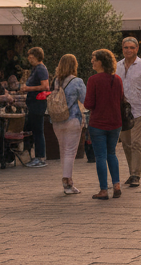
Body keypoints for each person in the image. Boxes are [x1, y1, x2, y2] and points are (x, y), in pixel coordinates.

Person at [83, 48, 124, 200]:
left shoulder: (93, 80)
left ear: (101, 61)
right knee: (112, 154)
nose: (92, 61)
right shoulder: (117, 79)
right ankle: (117, 185)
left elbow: (89, 104)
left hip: (98, 123)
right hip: (115, 122)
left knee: (100, 156)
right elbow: (120, 99)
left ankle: (103, 190)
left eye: (94, 59)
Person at [117, 37, 141, 188]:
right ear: (122, 48)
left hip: (139, 108)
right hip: (122, 109)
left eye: (132, 47)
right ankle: (131, 171)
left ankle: (136, 174)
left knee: (136, 142)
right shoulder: (118, 66)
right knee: (126, 143)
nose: (128, 50)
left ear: (137, 49)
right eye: (126, 47)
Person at [50, 55, 86, 195]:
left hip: (57, 120)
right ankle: (68, 183)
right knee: (70, 152)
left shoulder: (56, 81)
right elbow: (85, 99)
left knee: (63, 150)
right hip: (73, 120)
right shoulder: (77, 81)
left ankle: (66, 181)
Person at [21, 47, 51, 168]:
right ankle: (35, 155)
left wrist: (28, 89)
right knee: (33, 129)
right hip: (33, 103)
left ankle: (40, 157)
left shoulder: (40, 69)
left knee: (38, 130)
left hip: (37, 103)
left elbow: (45, 86)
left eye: (31, 57)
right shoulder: (35, 69)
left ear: (37, 57)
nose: (29, 59)